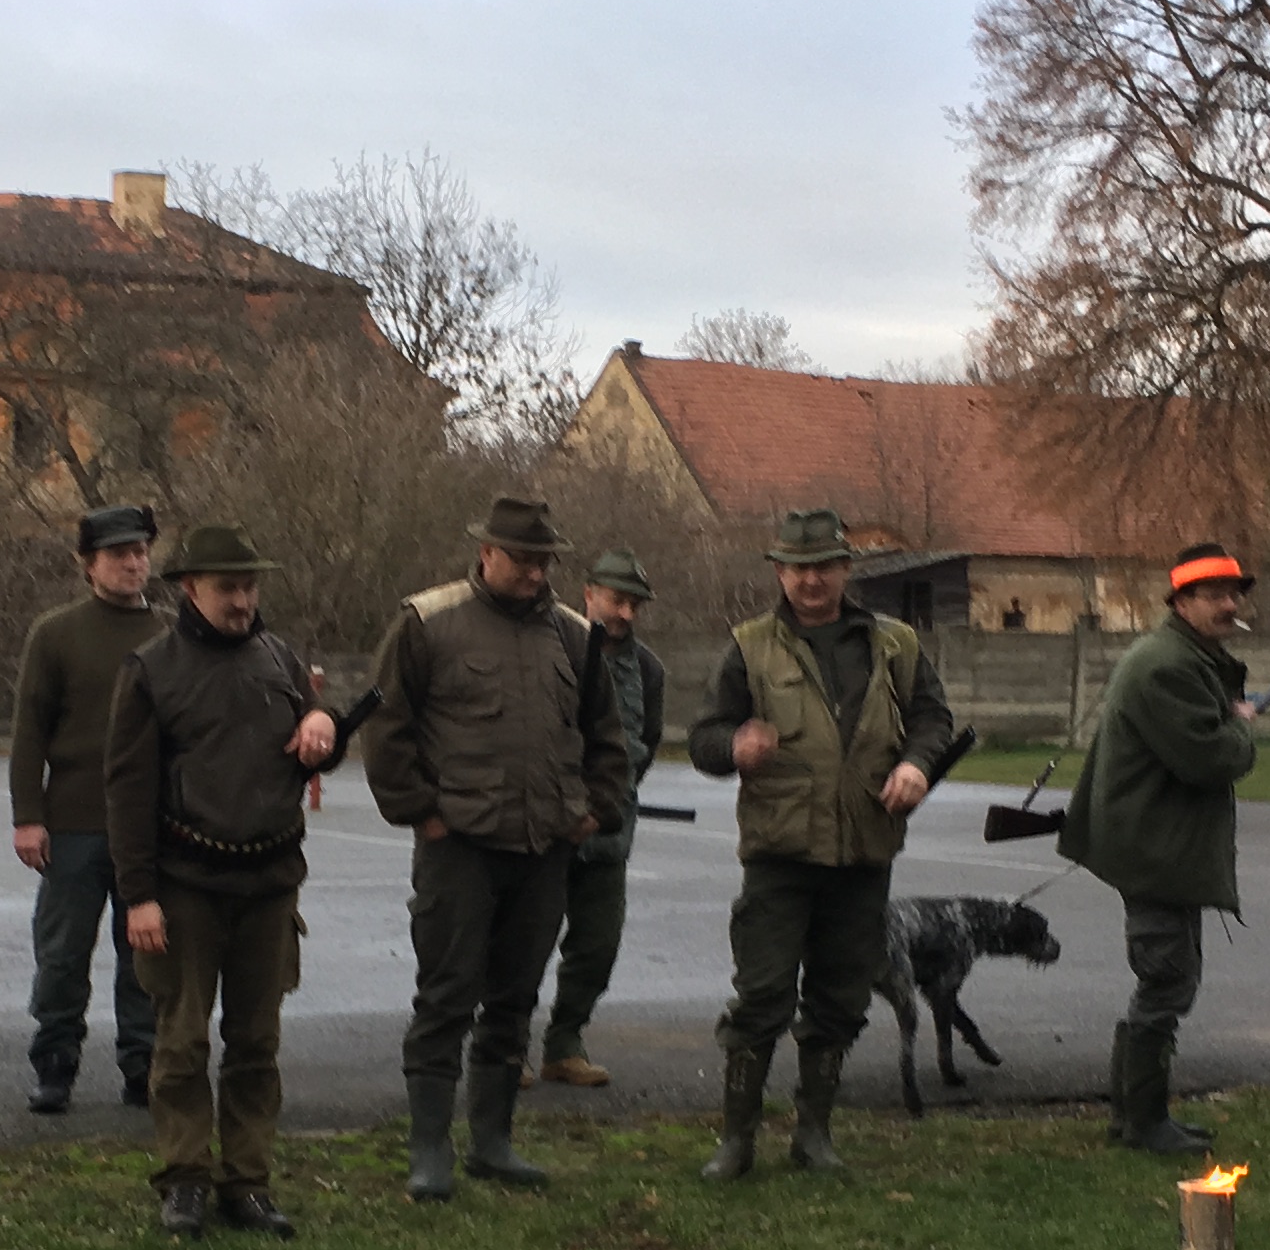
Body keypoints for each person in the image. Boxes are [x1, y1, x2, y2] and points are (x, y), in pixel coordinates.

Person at [362, 492, 633, 1201]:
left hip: (543, 849)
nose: (535, 573)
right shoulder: (428, 622)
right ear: (485, 552)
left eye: (545, 561)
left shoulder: (576, 636)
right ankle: (430, 1149)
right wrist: (423, 814)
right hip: (460, 848)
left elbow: (607, 740)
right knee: (446, 997)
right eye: (521, 559)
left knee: (514, 1000)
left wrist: (593, 811)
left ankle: (492, 1142)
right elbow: (386, 729)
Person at [686, 508, 957, 1177]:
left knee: (840, 999)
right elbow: (704, 738)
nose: (812, 580)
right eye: (798, 568)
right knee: (762, 998)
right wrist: (734, 746)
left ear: (846, 569)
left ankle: (814, 1134)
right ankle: (736, 1140)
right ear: (780, 572)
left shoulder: (896, 645)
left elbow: (933, 719)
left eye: (826, 567)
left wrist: (918, 765)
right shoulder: (749, 646)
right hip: (780, 855)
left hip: (863, 852)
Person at [105, 521, 342, 1239]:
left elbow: (310, 744)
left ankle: (248, 1182)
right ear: (190, 590)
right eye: (227, 588)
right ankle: (184, 1179)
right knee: (180, 1043)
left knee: (256, 1044)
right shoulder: (151, 671)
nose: (242, 601)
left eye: (249, 587)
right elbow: (127, 792)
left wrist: (323, 727)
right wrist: (139, 896)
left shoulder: (279, 657)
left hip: (270, 884)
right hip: (185, 888)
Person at [1057, 544, 1261, 1157]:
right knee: (1167, 980)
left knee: (1166, 979)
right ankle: (1144, 1122)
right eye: (1214, 595)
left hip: (1157, 846)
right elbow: (1210, 758)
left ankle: (1133, 1117)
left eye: (1234, 593)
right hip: (1153, 851)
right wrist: (1241, 725)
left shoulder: (1184, 657)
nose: (1229, 605)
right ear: (1181, 602)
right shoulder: (1167, 666)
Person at [8, 502, 168, 1113]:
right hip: (73, 822)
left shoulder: (172, 633)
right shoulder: (56, 634)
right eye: (119, 554)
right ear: (88, 564)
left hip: (150, 828)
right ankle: (55, 1063)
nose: (133, 563)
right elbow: (30, 731)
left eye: (140, 552)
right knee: (61, 954)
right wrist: (28, 816)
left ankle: (143, 1065)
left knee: (146, 954)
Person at [537, 547, 670, 1090]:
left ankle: (564, 1043)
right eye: (617, 600)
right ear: (588, 593)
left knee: (597, 946)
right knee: (522, 945)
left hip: (609, 834)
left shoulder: (649, 671)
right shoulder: (548, 650)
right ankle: (503, 1049)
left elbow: (645, 745)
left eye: (635, 604)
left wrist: (605, 803)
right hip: (543, 831)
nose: (626, 614)